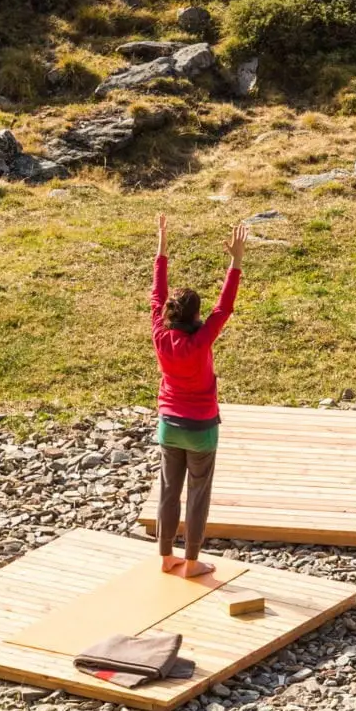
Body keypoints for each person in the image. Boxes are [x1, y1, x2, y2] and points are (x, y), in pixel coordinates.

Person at [150, 214, 244, 577]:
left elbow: (157, 294)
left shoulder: (160, 334)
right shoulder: (202, 338)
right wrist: (235, 262)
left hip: (168, 426)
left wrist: (162, 246)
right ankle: (191, 562)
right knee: (198, 493)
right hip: (202, 427)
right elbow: (225, 307)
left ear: (169, 314)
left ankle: (165, 556)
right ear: (195, 315)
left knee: (168, 491)